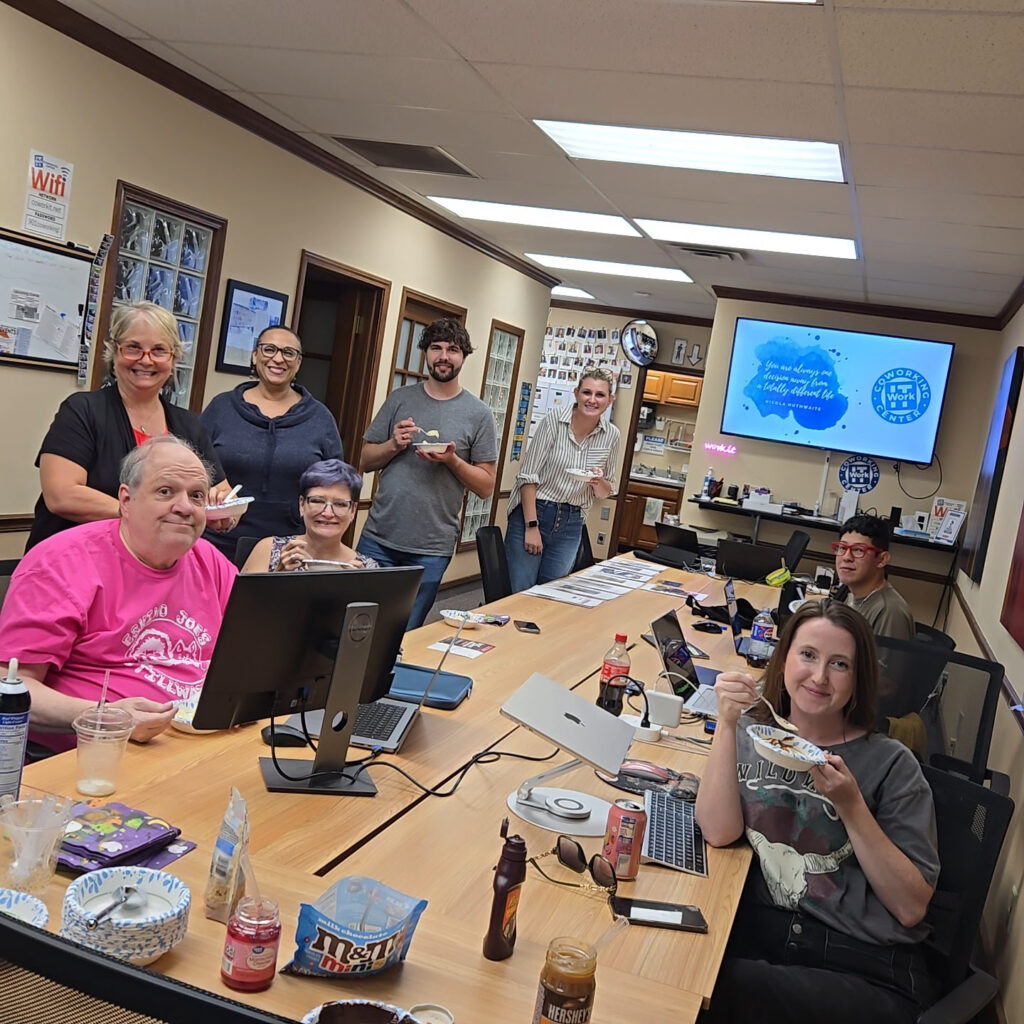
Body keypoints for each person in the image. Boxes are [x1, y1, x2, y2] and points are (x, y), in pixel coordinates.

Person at [695, 600, 939, 1024]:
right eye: (807, 655)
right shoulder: (752, 732)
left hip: (862, 960)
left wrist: (851, 806)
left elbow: (911, 907)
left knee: (711, 988)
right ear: (783, 657)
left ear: (859, 678)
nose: (820, 677)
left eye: (840, 664)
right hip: (765, 934)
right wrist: (729, 725)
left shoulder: (892, 764)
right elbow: (718, 832)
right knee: (685, 965)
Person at [0, 436, 237, 754]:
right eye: (165, 492)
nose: (183, 507)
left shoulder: (210, 561)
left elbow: (253, 655)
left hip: (200, 744)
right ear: (126, 500)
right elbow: (10, 685)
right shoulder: (60, 563)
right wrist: (103, 716)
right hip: (94, 752)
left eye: (196, 496)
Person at [26, 301, 234, 552]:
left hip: (156, 569)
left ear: (173, 359)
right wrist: (145, 516)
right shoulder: (82, 411)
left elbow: (223, 494)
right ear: (114, 353)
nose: (146, 360)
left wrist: (224, 512)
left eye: (159, 350)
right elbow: (62, 495)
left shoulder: (188, 425)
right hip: (75, 561)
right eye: (133, 348)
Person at [357, 318, 497, 628]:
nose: (443, 356)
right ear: (425, 353)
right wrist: (394, 443)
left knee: (404, 636)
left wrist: (452, 461)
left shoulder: (479, 414)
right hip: (378, 538)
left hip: (431, 547)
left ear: (464, 356)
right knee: (358, 628)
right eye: (436, 348)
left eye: (453, 349)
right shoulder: (400, 399)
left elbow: (486, 486)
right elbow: (364, 460)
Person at [200, 325, 344, 562]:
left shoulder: (320, 418)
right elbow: (194, 466)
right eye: (269, 349)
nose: (278, 358)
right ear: (255, 356)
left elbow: (334, 483)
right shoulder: (222, 407)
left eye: (289, 353)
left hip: (290, 546)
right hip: (218, 539)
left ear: (298, 363)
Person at [505, 366, 619, 592]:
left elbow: (606, 491)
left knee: (552, 595)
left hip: (571, 521)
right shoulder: (553, 421)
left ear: (610, 400)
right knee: (520, 593)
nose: (592, 400)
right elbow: (527, 477)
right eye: (587, 393)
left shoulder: (612, 435)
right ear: (576, 393)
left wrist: (598, 482)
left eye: (600, 395)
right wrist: (532, 526)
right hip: (535, 511)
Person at [241, 459, 379, 573]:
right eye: (317, 501)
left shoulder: (366, 568)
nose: (327, 513)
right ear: (302, 505)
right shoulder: (269, 550)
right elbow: (241, 605)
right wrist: (279, 577)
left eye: (339, 504)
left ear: (353, 510)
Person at [834, 514, 915, 641]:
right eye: (842, 548)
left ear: (882, 559)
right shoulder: (849, 594)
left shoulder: (890, 612)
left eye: (858, 550)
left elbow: (887, 661)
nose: (846, 557)